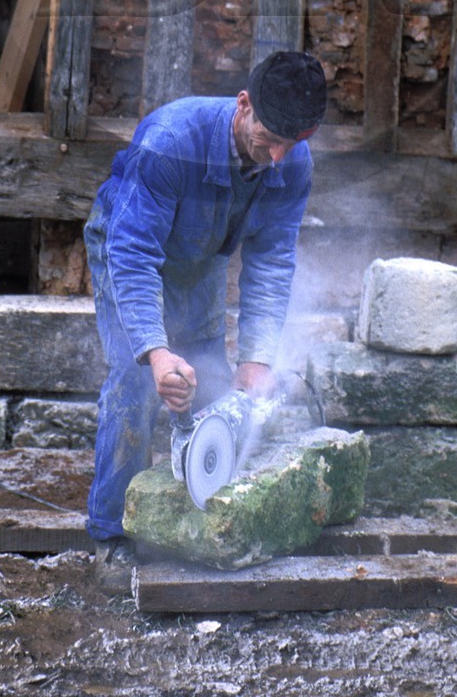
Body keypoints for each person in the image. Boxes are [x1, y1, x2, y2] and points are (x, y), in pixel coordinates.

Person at [83, 48, 328, 588]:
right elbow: (132, 254)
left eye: (294, 144)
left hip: (200, 261)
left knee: (209, 386)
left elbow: (271, 260)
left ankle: (189, 518)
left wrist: (258, 357)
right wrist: (155, 349)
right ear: (244, 105)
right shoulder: (169, 143)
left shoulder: (290, 163)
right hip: (126, 250)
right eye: (270, 140)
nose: (280, 157)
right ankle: (109, 537)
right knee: (137, 383)